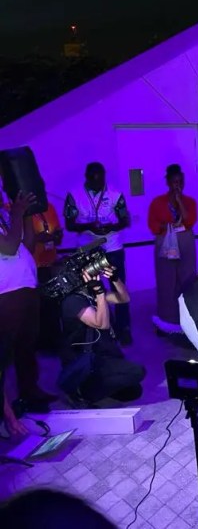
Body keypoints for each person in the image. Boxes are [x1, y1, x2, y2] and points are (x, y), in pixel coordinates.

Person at [0, 180, 56, 414]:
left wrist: (26, 215)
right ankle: (5, 409)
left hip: (26, 287)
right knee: (5, 353)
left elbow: (28, 245)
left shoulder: (5, 215)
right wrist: (18, 212)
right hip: (6, 294)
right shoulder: (9, 214)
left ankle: (30, 392)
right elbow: (9, 247)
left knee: (27, 346)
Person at [64, 162, 132, 345]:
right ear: (86, 178)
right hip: (87, 249)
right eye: (94, 181)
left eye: (102, 180)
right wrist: (88, 226)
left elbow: (125, 220)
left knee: (118, 286)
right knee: (90, 289)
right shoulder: (74, 195)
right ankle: (99, 327)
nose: (99, 184)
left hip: (112, 248)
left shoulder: (115, 194)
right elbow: (69, 224)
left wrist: (112, 227)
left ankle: (124, 328)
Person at [58, 263, 145, 406]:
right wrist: (99, 293)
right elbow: (101, 324)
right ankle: (82, 392)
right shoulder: (72, 301)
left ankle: (98, 387)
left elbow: (124, 298)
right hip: (88, 361)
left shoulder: (90, 291)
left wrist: (115, 279)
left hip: (105, 354)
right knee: (137, 371)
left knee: (134, 391)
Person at [148, 164, 198, 335]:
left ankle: (188, 318)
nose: (178, 185)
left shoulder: (189, 202)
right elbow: (152, 225)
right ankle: (166, 319)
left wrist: (179, 201)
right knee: (166, 281)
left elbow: (189, 220)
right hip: (165, 241)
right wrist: (167, 226)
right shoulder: (157, 202)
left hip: (184, 242)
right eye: (175, 182)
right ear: (168, 182)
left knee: (187, 279)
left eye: (181, 182)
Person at [32, 201, 64, 352]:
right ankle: (42, 344)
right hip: (33, 266)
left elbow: (57, 234)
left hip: (50, 262)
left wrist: (56, 236)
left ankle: (53, 342)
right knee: (40, 307)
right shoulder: (16, 209)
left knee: (52, 305)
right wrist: (37, 238)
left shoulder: (49, 207)